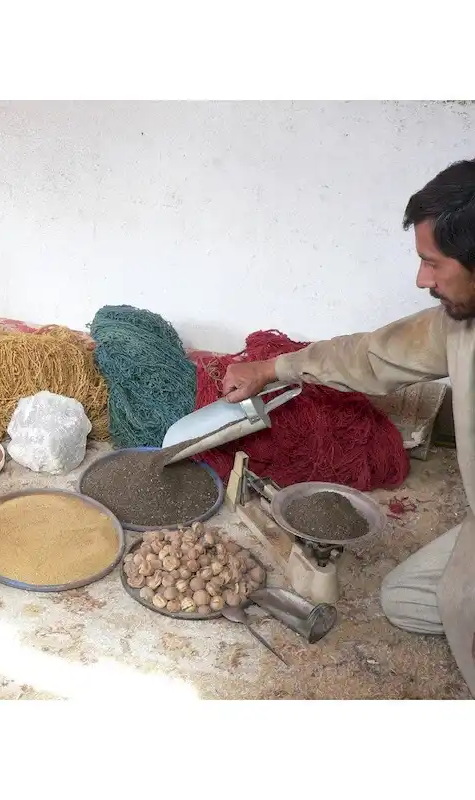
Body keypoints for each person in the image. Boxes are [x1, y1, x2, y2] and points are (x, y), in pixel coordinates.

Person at [221, 159, 475, 696]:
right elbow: (371, 357)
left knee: (460, 608)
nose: (421, 280)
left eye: (433, 263)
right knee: (404, 599)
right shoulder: (460, 320)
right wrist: (270, 369)